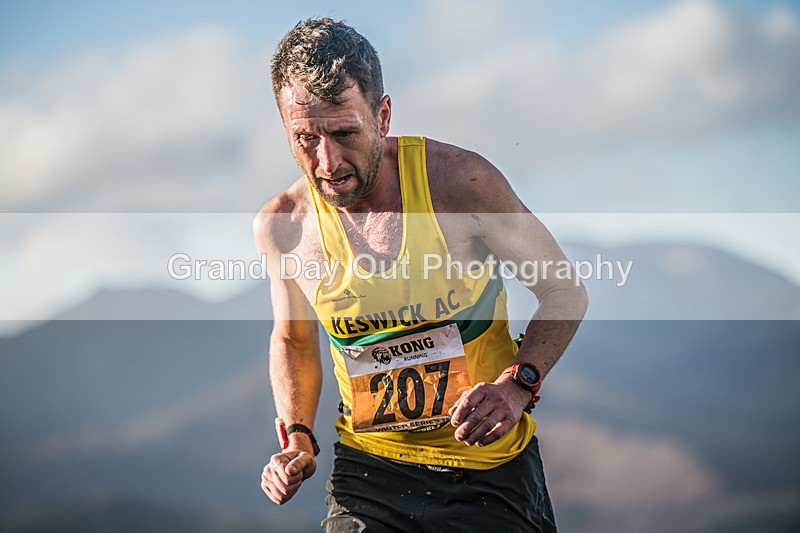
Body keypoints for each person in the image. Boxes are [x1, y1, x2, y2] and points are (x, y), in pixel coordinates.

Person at [254, 18, 588, 532]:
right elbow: (295, 339)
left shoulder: (461, 184)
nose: (327, 161)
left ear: (383, 116)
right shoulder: (284, 226)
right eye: (305, 138)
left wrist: (516, 387)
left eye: (345, 132)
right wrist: (298, 436)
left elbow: (563, 291)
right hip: (368, 473)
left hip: (488, 469)